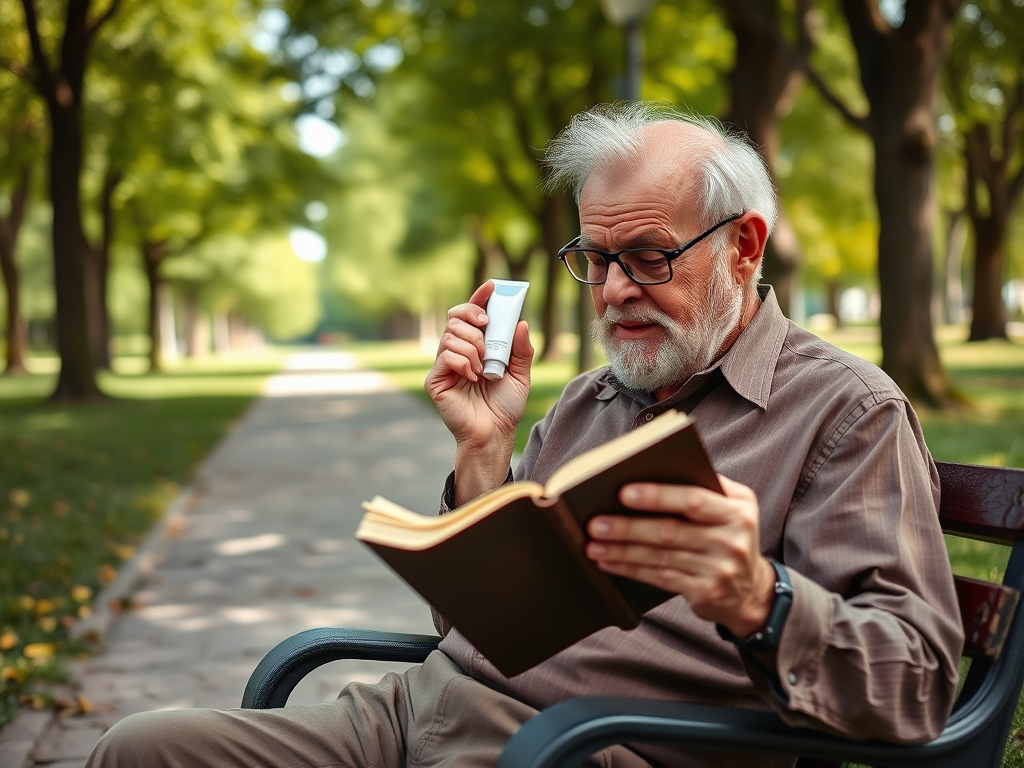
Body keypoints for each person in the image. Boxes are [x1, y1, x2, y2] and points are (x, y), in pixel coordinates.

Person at [85, 103, 964, 768]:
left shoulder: (847, 414)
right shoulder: (589, 401)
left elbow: (917, 689)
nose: (615, 289)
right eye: (595, 258)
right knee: (143, 747)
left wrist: (756, 597)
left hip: (583, 749)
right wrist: (483, 449)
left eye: (650, 257)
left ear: (744, 245)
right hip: (413, 715)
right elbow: (476, 624)